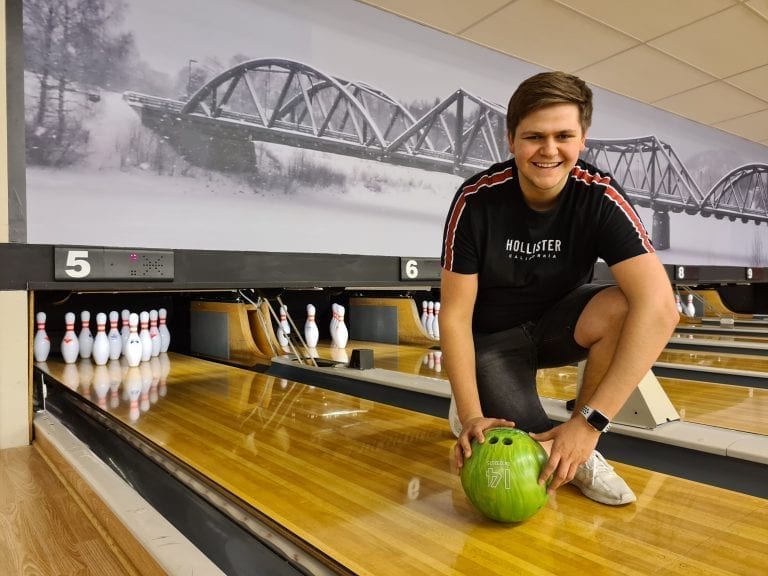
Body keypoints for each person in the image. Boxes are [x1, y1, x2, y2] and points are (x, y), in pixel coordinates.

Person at [440, 71, 679, 505]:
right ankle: (472, 401)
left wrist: (588, 424)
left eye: (563, 135)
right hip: (491, 341)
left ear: (583, 140)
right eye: (534, 136)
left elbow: (661, 308)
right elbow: (455, 315)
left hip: (557, 326)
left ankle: (584, 449)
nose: (549, 150)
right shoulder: (476, 200)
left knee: (629, 304)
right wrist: (473, 412)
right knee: (530, 449)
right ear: (511, 140)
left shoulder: (599, 196)